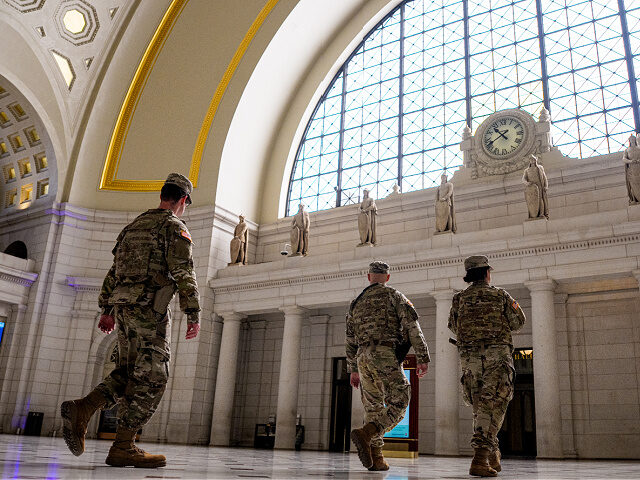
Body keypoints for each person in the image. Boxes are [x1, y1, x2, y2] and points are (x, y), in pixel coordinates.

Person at [60, 173, 201, 468]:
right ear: (183, 200)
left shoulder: (133, 226)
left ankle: (84, 408)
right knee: (154, 377)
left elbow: (114, 272)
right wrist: (193, 313)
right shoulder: (173, 227)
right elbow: (184, 272)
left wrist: (107, 309)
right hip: (151, 310)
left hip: (123, 309)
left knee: (127, 371)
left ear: (163, 194)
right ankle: (124, 446)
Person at [346, 261, 430, 471]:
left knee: (373, 407)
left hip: (362, 357)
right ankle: (367, 432)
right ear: (387, 277)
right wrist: (422, 356)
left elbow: (349, 338)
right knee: (401, 399)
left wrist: (353, 369)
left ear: (368, 277)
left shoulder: (355, 303)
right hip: (384, 353)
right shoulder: (394, 295)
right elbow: (412, 327)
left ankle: (377, 457)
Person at [448, 255, 525, 477]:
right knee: (496, 404)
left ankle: (493, 454)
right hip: (496, 358)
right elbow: (519, 321)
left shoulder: (458, 299)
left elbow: (453, 325)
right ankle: (480, 457)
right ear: (487, 273)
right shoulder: (500, 295)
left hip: (469, 359)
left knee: (481, 407)